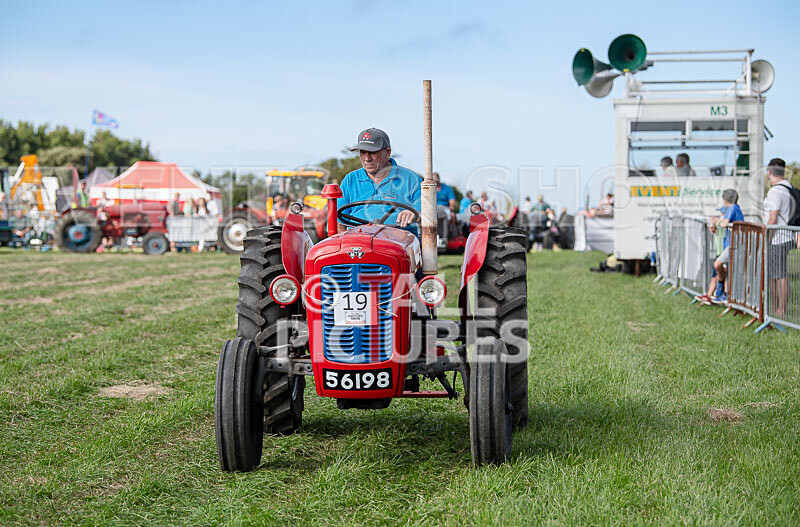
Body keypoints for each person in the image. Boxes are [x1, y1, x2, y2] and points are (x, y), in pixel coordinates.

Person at [337, 128, 420, 232]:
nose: (367, 158)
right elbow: (339, 221)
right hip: (358, 240)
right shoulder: (350, 180)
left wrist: (414, 213)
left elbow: (426, 212)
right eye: (363, 152)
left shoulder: (410, 179)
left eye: (373, 152)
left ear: (387, 152)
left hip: (398, 240)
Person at [695, 189, 744, 305]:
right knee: (720, 266)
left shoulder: (732, 208)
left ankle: (721, 292)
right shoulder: (735, 208)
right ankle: (720, 293)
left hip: (734, 244)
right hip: (732, 243)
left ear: (725, 201)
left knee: (717, 264)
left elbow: (724, 223)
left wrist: (717, 222)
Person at [763, 158, 794, 316]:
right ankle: (777, 308)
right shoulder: (788, 188)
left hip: (777, 238)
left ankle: (779, 310)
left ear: (769, 172)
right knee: (777, 273)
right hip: (786, 235)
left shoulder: (775, 191)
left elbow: (773, 218)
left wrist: (766, 238)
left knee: (778, 275)